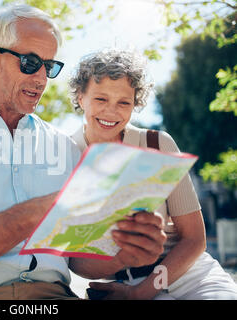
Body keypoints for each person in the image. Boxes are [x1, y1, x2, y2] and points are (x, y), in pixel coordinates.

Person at [0, 4, 166, 300]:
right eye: (31, 62)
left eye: (50, 66)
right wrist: (41, 210)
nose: (42, 79)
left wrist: (125, 254)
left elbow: (77, 258)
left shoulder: (65, 147)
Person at [68, 48, 237, 299]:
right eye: (101, 99)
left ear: (135, 104)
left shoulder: (157, 144)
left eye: (124, 102)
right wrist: (121, 260)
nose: (111, 112)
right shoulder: (67, 156)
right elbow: (74, 261)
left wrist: (142, 292)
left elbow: (194, 239)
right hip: (120, 285)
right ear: (81, 97)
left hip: (188, 274)